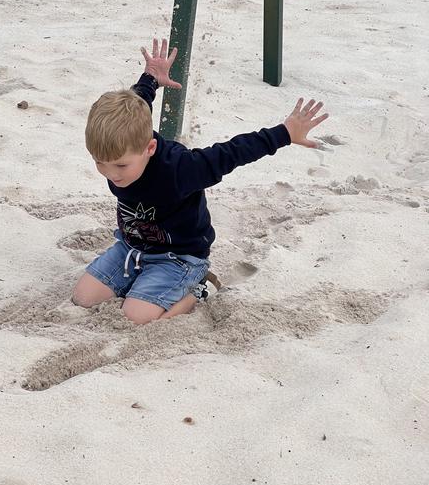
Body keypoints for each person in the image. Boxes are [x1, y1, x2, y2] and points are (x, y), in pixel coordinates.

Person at [72, 38, 328, 325]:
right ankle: (141, 284)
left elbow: (231, 153)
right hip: (132, 248)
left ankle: (200, 289)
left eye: (120, 165)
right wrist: (151, 79)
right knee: (83, 298)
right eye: (99, 163)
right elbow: (137, 105)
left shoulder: (181, 169)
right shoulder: (124, 143)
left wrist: (284, 134)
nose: (111, 174)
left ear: (150, 149)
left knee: (135, 317)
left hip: (178, 256)